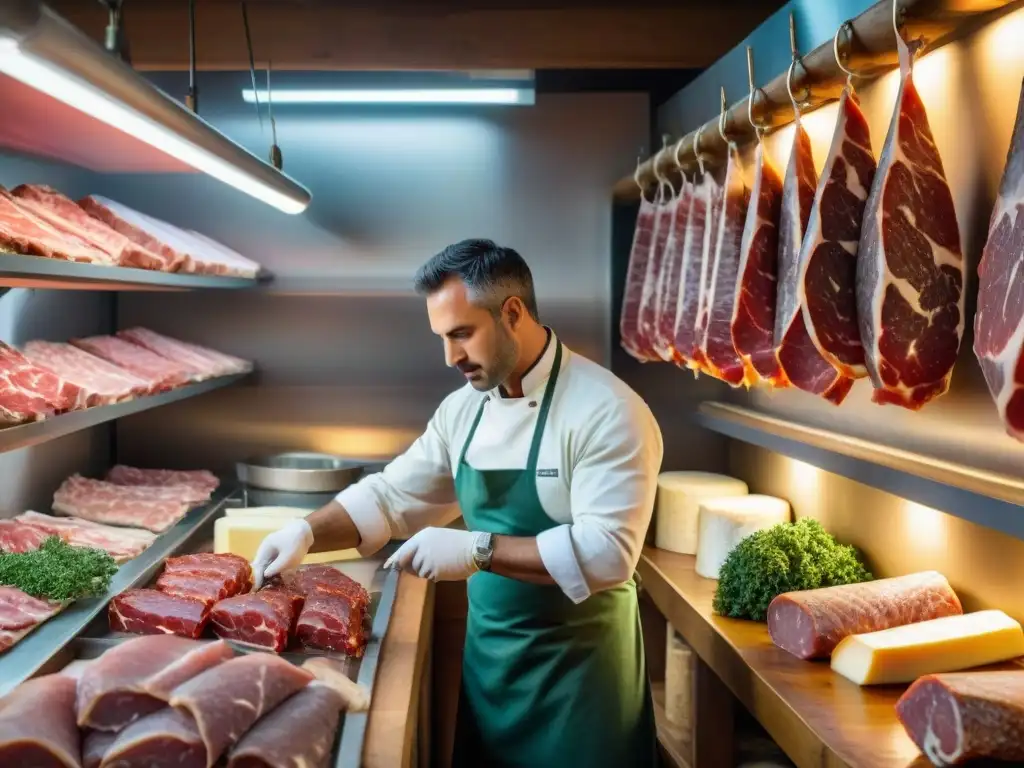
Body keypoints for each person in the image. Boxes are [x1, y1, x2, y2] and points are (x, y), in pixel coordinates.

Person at [251, 238, 663, 767]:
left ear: (512, 313)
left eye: (462, 334)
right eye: (442, 338)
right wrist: (305, 533)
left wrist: (479, 549)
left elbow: (608, 554)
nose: (451, 357)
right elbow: (391, 497)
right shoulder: (462, 412)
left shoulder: (607, 411)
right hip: (491, 671)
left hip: (581, 686)